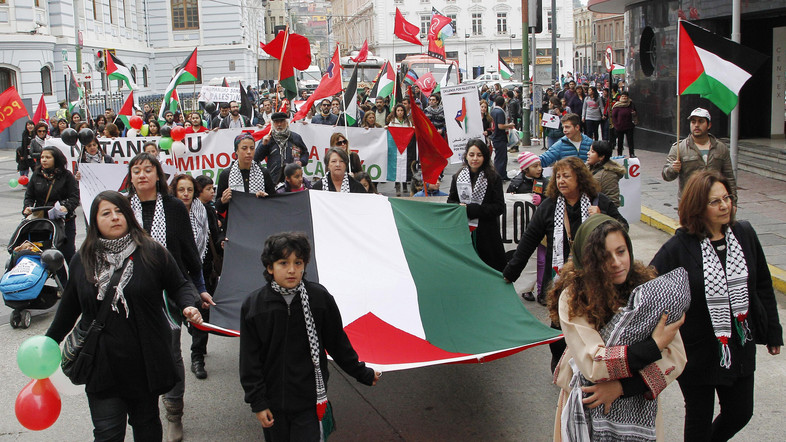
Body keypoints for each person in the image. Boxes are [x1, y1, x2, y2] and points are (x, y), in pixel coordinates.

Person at [45, 191, 203, 441]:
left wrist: (188, 306)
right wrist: (47, 345)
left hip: (144, 360)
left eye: (120, 211)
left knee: (147, 425)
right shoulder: (82, 259)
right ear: (94, 221)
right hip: (101, 363)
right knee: (107, 433)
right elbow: (68, 309)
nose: (115, 217)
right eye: (106, 213)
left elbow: (180, 285)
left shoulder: (152, 251)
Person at [650, 171, 782, 441]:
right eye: (715, 201)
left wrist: (772, 331)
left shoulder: (744, 234)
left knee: (740, 412)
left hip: (738, 344)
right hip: (699, 351)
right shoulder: (678, 248)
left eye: (727, 198)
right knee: (698, 419)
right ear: (698, 206)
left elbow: (762, 285)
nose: (725, 206)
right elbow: (649, 291)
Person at [550, 215, 687, 441]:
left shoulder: (649, 291)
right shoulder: (574, 298)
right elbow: (594, 363)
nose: (616, 262)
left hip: (639, 401)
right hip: (588, 403)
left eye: (621, 251)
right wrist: (653, 346)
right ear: (588, 261)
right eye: (604, 257)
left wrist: (623, 387)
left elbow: (675, 356)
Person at [239, 232, 380, 441]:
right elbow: (249, 360)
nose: (291, 270)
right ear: (270, 267)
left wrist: (362, 373)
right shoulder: (255, 305)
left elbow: (337, 343)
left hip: (310, 400)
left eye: (298, 262)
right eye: (283, 263)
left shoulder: (319, 299)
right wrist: (258, 403)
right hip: (273, 401)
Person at [503, 156, 627, 364]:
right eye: (558, 176)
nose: (561, 181)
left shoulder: (599, 202)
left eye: (566, 176)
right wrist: (509, 274)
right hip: (561, 282)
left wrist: (602, 217)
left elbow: (623, 228)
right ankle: (560, 370)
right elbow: (529, 240)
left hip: (594, 279)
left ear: (580, 178)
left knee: (593, 327)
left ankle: (591, 368)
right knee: (559, 333)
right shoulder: (549, 206)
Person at [125, 152, 211, 441]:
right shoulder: (122, 207)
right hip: (130, 295)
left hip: (168, 294)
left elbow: (188, 252)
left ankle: (174, 414)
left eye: (147, 169)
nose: (141, 175)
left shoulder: (174, 207)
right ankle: (142, 409)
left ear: (158, 175)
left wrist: (199, 287)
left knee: (170, 353)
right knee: (134, 354)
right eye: (136, 170)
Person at [169, 174, 213, 381]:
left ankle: (197, 357)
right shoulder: (167, 213)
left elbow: (210, 233)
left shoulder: (201, 210)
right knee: (181, 315)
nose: (186, 194)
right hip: (173, 271)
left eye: (189, 190)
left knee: (202, 311)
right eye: (181, 190)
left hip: (199, 268)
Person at [447, 139, 506, 271]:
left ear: (485, 157)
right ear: (466, 156)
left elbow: (499, 207)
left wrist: (473, 209)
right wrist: (459, 207)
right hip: (464, 231)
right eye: (472, 154)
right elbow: (451, 201)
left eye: (479, 155)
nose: (475, 158)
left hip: (487, 233)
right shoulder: (457, 177)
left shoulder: (493, 178)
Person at [23, 146, 80, 282]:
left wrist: (66, 207)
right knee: (52, 255)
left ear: (56, 159)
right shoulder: (37, 175)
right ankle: (64, 285)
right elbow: (29, 196)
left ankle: (77, 283)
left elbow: (74, 197)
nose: (44, 160)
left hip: (64, 222)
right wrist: (27, 207)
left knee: (68, 254)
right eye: (42, 157)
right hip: (44, 223)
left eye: (48, 157)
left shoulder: (66, 176)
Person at [662, 107, 737, 201]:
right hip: (690, 203)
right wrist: (673, 169)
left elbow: (729, 178)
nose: (696, 125)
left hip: (715, 201)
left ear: (709, 125)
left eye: (701, 121)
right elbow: (666, 176)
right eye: (693, 122)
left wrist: (733, 202)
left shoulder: (720, 148)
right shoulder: (679, 148)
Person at [507, 151, 549, 302]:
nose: (539, 169)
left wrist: (543, 199)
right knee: (528, 259)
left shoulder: (545, 183)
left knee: (542, 260)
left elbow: (552, 201)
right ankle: (527, 289)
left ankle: (542, 290)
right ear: (525, 169)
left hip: (542, 231)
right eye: (535, 166)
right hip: (524, 230)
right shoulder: (516, 183)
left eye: (540, 165)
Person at [217, 133, 276, 230]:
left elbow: (273, 202)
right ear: (236, 151)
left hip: (259, 224)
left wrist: (265, 198)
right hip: (235, 225)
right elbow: (219, 207)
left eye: (252, 148)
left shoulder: (263, 172)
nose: (249, 152)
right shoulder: (226, 174)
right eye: (244, 148)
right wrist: (223, 200)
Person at [254, 112, 309, 183]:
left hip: (293, 179)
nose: (279, 124)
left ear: (286, 123)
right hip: (274, 179)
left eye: (282, 121)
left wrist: (302, 162)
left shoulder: (295, 137)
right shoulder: (269, 139)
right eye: (276, 122)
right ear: (273, 124)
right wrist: (263, 145)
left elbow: (305, 153)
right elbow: (256, 158)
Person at [586, 140, 625, 207]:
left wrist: (599, 212)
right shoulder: (586, 167)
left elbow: (613, 201)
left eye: (592, 152)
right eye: (589, 151)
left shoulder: (608, 175)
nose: (588, 153)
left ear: (601, 157)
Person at [490, 96, 515, 179]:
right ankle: (500, 175)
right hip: (500, 137)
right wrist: (509, 125)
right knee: (501, 158)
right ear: (503, 104)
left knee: (499, 157)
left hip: (495, 137)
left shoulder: (493, 111)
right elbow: (500, 126)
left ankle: (502, 174)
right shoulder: (500, 112)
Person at [611, 91, 637, 157]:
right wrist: (616, 125)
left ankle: (632, 153)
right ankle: (619, 154)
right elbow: (613, 116)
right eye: (623, 96)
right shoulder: (617, 105)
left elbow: (635, 112)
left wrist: (634, 113)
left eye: (625, 96)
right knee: (620, 141)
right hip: (620, 126)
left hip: (629, 126)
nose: (624, 98)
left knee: (630, 141)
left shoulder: (630, 104)